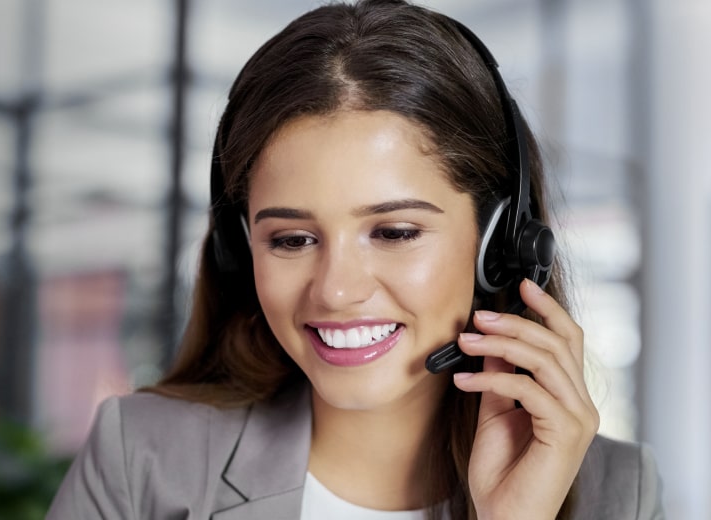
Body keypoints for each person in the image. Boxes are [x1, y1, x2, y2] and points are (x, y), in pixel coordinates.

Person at [45, 1, 663, 519]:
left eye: (393, 231)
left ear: (499, 244)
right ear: (240, 250)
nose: (336, 291)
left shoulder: (619, 493)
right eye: (291, 240)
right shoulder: (142, 458)